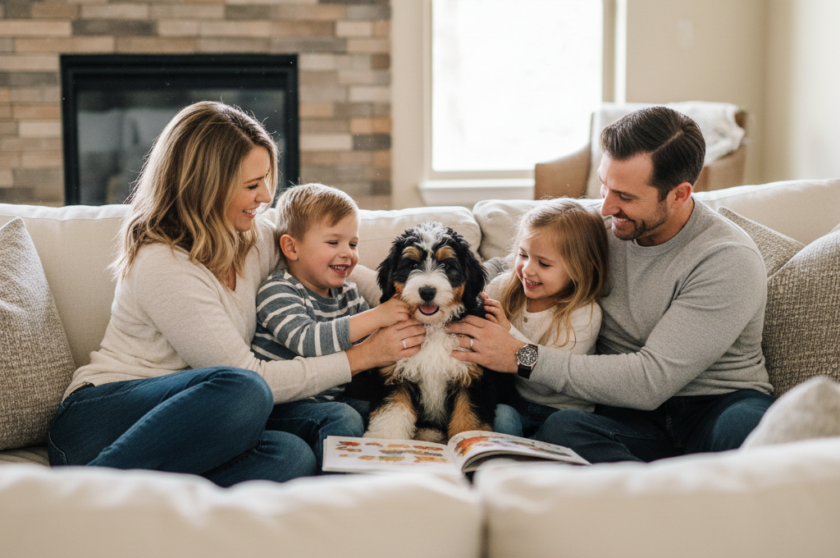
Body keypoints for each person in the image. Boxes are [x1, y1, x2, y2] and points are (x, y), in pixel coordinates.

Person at [48, 101, 425, 486]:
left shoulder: (253, 235)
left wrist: (414, 296)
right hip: (100, 424)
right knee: (243, 388)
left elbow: (333, 265)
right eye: (251, 185)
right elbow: (249, 377)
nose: (265, 196)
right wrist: (362, 356)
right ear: (206, 188)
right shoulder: (162, 262)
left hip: (204, 423)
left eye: (266, 179)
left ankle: (154, 495)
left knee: (291, 455)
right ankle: (85, 490)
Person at [449, 106, 775, 463]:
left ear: (680, 194)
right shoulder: (605, 228)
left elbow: (650, 380)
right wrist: (438, 282)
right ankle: (658, 494)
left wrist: (518, 355)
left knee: (751, 429)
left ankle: (662, 496)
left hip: (714, 406)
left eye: (626, 196)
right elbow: (508, 265)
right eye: (604, 186)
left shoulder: (726, 258)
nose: (604, 207)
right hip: (628, 418)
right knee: (562, 428)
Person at [250, 183, 410, 462]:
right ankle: (333, 493)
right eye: (333, 242)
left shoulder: (348, 293)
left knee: (383, 410)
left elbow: (375, 341)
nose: (347, 253)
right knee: (344, 417)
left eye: (353, 243)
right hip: (277, 408)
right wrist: (377, 315)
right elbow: (308, 340)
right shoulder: (278, 289)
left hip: (326, 403)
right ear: (291, 247)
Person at [482, 198, 609, 437]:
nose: (528, 269)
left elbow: (546, 379)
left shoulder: (584, 313)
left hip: (562, 409)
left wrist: (507, 331)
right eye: (523, 254)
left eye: (544, 263)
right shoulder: (503, 289)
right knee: (499, 416)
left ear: (580, 268)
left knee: (563, 426)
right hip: (514, 403)